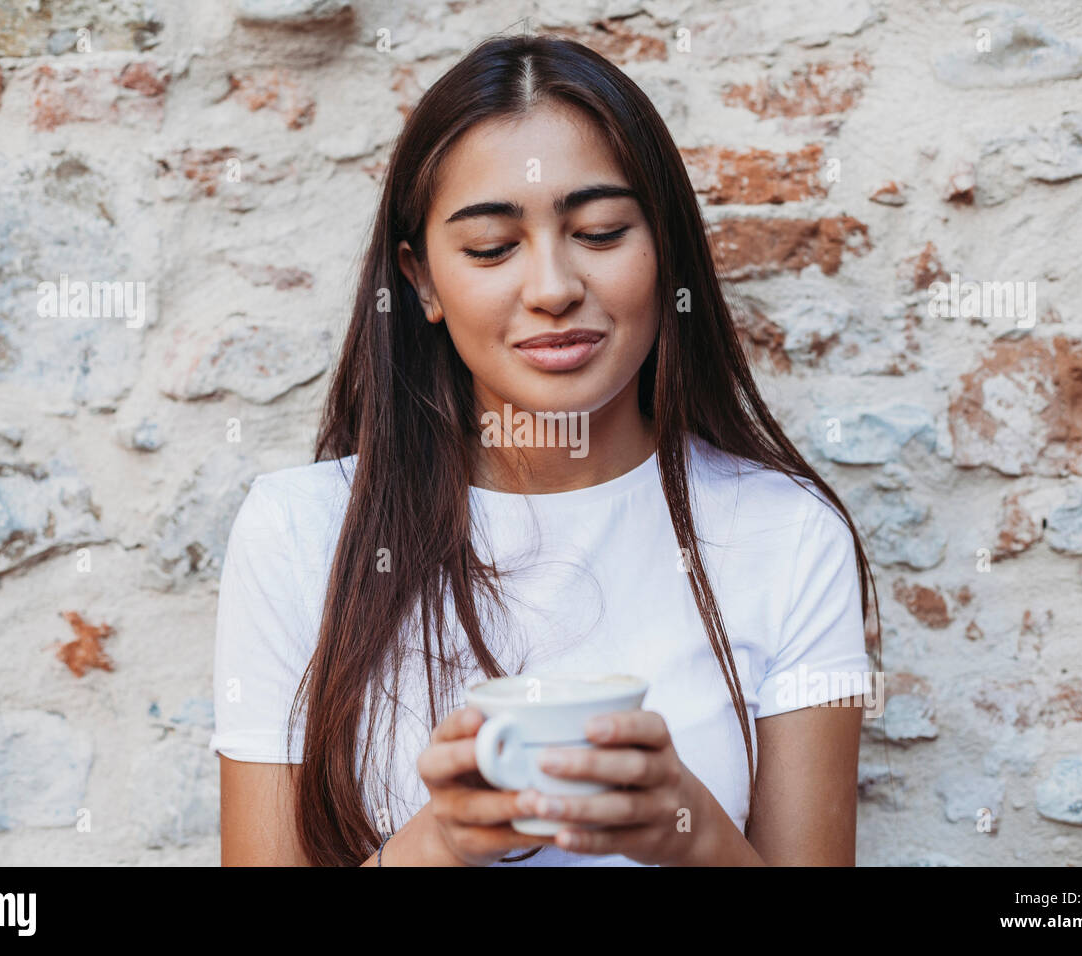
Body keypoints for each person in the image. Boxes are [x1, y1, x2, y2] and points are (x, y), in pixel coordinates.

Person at [212, 32, 881, 867]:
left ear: (663, 247)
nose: (554, 289)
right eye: (492, 247)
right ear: (421, 280)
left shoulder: (788, 534)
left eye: (600, 233)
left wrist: (692, 829)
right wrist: (439, 846)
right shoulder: (299, 532)